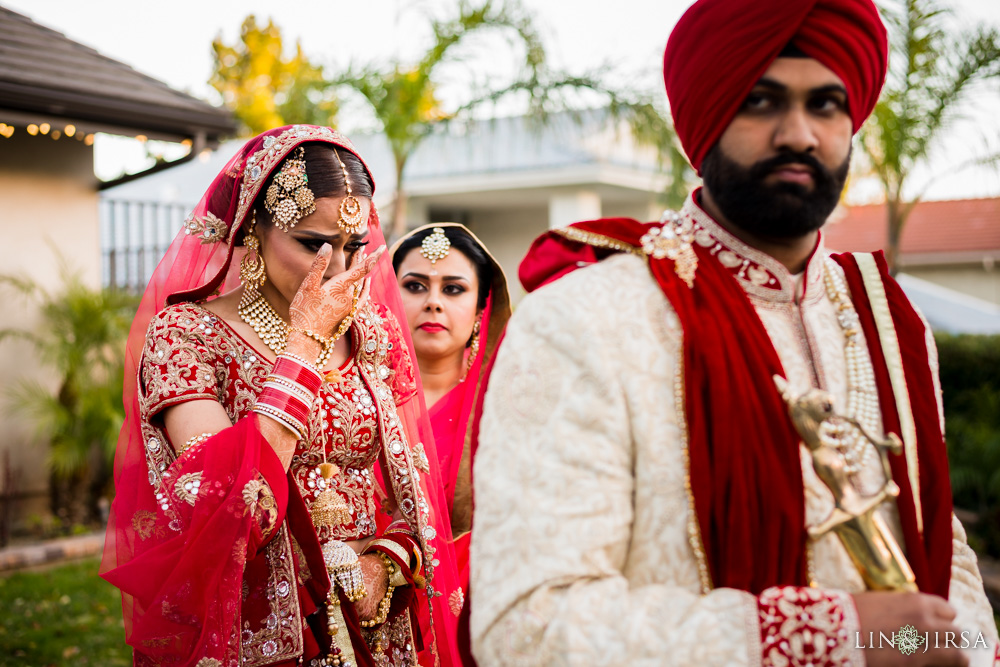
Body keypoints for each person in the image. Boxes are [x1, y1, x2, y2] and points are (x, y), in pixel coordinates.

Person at [469, 0, 1000, 665]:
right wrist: (829, 636)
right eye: (761, 102)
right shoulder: (584, 321)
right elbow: (525, 627)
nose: (799, 134)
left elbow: (940, 551)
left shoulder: (888, 322)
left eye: (826, 104)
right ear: (708, 117)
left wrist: (964, 647)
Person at [100, 125, 463, 667]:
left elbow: (411, 489)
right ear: (252, 229)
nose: (337, 270)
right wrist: (302, 346)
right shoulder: (186, 336)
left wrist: (384, 564)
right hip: (255, 635)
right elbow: (226, 509)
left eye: (353, 246)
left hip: (377, 626)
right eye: (313, 244)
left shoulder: (373, 330)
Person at [390, 224, 511, 606]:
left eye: (453, 289)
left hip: (480, 598)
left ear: (480, 308)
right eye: (414, 286)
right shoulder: (354, 401)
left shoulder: (508, 408)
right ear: (387, 295)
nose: (433, 302)